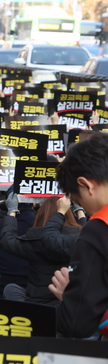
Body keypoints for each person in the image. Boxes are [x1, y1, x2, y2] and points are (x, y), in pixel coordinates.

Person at [49, 133, 108, 339]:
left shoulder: (98, 229)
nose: (85, 210)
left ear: (86, 185)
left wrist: (72, 296)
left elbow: (76, 324)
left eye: (79, 201)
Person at [0, 194, 83, 306]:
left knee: (10, 289)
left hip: (37, 304)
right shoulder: (80, 238)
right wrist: (80, 211)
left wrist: (12, 211)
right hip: (67, 303)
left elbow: (7, 241)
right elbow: (86, 232)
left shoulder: (34, 238)